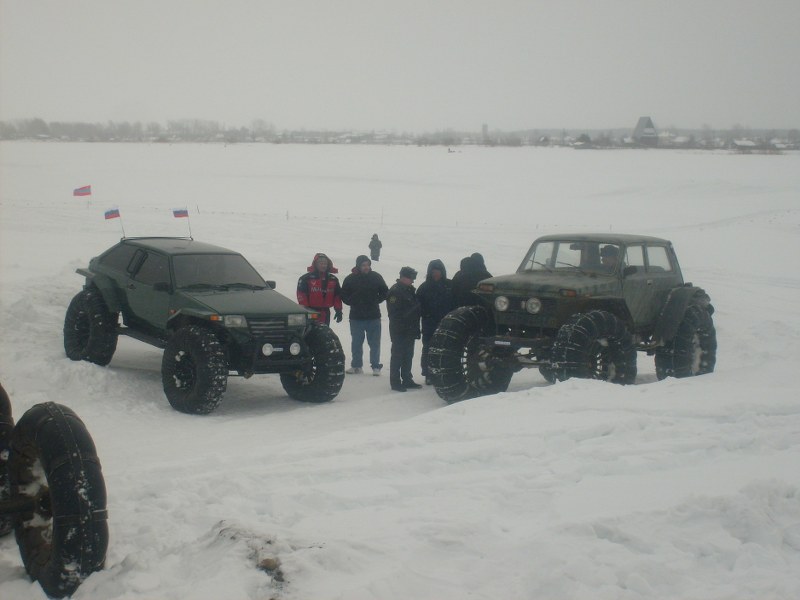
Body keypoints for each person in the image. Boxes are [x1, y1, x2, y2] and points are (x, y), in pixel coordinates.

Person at [341, 255, 389, 375]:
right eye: (363, 265)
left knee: (374, 343)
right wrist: (352, 301)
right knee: (356, 343)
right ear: (358, 266)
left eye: (368, 265)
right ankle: (357, 366)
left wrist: (376, 300)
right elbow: (344, 294)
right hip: (356, 317)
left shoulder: (376, 277)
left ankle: (375, 366)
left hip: (373, 316)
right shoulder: (350, 279)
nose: (366, 267)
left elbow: (384, 291)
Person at [416, 259, 455, 384]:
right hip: (429, 323)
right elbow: (418, 307)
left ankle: (446, 373)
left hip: (447, 322)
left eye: (438, 271)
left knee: (447, 349)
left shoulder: (450, 285)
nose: (436, 274)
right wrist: (426, 315)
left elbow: (456, 303)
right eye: (433, 272)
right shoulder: (424, 288)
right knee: (428, 348)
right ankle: (428, 374)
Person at [387, 266, 422, 392]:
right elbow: (394, 314)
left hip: (410, 329)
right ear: (403, 277)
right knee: (397, 356)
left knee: (408, 355)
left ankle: (407, 379)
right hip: (400, 330)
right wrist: (403, 326)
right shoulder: (395, 291)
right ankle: (395, 382)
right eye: (411, 278)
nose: (413, 281)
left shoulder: (409, 290)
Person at [296, 253, 342, 325]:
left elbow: (337, 296)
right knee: (310, 333)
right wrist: (306, 311)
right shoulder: (306, 278)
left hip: (325, 312)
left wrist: (338, 310)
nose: (323, 265)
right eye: (320, 263)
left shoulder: (333, 279)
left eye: (325, 263)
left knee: (324, 333)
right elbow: (301, 295)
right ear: (315, 264)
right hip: (311, 312)